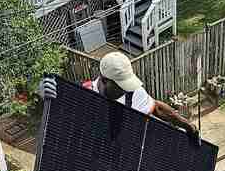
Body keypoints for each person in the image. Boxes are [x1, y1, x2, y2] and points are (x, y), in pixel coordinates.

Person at [39, 51, 199, 140]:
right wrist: (47, 99)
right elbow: (59, 118)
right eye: (121, 84)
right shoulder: (83, 94)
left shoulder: (133, 93)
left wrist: (187, 126)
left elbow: (157, 108)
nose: (126, 89)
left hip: (123, 155)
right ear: (104, 80)